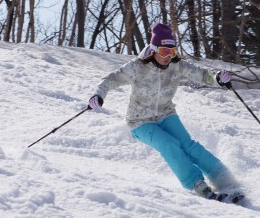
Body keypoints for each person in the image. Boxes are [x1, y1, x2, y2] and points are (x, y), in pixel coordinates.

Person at [88, 22, 238, 202]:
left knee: (188, 145)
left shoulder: (177, 65)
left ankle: (223, 177)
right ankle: (197, 184)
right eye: (164, 52)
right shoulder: (137, 67)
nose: (168, 57)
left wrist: (217, 79)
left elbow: (202, 75)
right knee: (169, 144)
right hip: (140, 121)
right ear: (153, 50)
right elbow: (111, 79)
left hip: (166, 114)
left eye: (172, 52)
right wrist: (99, 94)